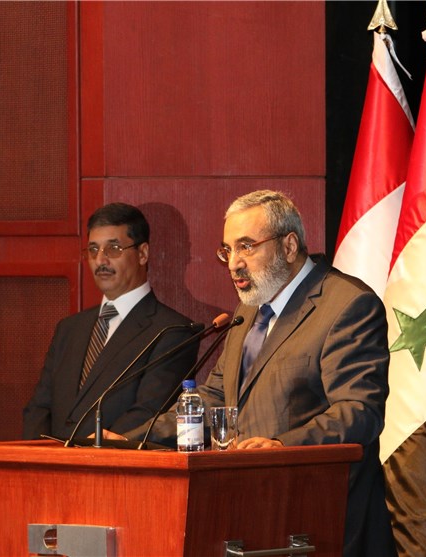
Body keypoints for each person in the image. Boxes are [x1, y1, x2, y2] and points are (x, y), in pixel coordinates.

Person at [116, 190, 396, 556]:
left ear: (289, 246)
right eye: (227, 250)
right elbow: (215, 398)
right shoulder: (249, 311)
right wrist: (131, 442)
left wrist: (281, 446)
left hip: (321, 522)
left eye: (246, 247)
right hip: (254, 517)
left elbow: (358, 412)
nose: (234, 263)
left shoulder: (346, 305)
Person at [23, 202, 199, 440]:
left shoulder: (173, 331)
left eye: (113, 249)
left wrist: (89, 452)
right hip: (54, 461)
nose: (100, 260)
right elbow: (40, 408)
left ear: (143, 254)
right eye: (93, 250)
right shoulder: (69, 328)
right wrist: (38, 455)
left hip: (113, 459)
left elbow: (148, 413)